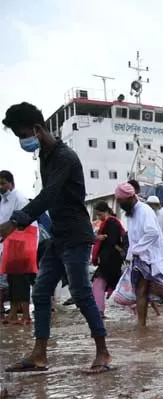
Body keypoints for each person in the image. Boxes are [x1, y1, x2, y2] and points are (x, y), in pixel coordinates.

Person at [1, 102, 110, 374]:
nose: (22, 141)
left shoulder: (64, 157)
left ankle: (103, 351)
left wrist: (15, 222)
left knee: (81, 293)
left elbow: (48, 195)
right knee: (40, 291)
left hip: (76, 234)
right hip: (59, 236)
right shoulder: (45, 156)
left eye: (22, 135)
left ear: (37, 129)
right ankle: (39, 355)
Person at [115, 183, 163, 328]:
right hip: (140, 258)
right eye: (118, 202)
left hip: (151, 257)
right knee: (141, 290)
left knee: (155, 289)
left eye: (122, 202)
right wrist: (131, 254)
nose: (120, 205)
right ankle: (142, 325)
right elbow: (133, 236)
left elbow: (152, 232)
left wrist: (136, 249)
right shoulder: (131, 212)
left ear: (131, 198)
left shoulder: (144, 211)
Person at [0, 170, 34, 325]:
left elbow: (23, 222)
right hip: (9, 243)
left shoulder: (20, 198)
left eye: (3, 183)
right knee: (12, 280)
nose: (1, 187)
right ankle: (13, 314)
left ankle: (26, 315)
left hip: (22, 242)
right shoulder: (3, 201)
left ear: (11, 183)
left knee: (21, 279)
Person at [91, 202, 125, 319]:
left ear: (106, 211)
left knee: (99, 283)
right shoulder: (113, 222)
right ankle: (142, 309)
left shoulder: (111, 223)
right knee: (118, 286)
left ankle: (99, 312)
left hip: (110, 261)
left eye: (99, 214)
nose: (98, 217)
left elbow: (111, 242)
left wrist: (101, 256)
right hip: (112, 260)